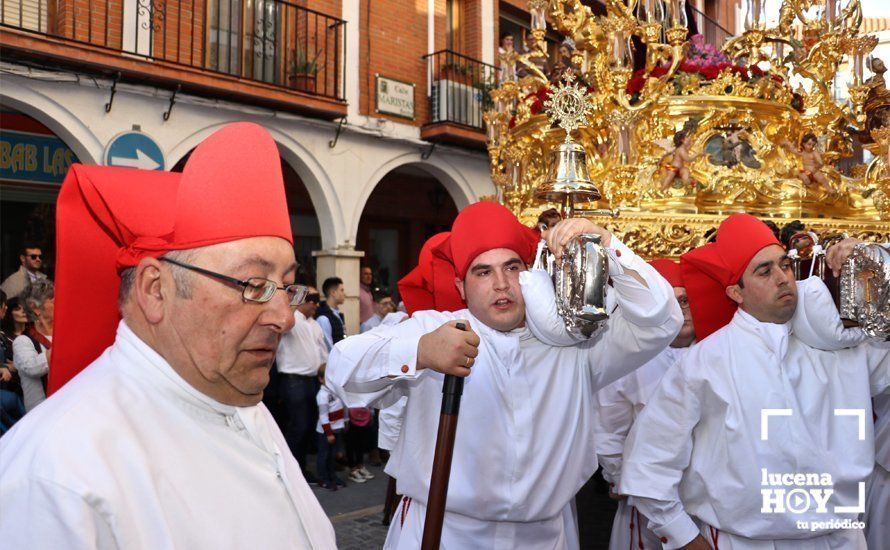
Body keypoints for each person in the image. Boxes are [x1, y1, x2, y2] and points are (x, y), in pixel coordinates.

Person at [0, 123, 336, 549]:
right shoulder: (58, 479)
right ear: (155, 290)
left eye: (288, 285)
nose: (284, 318)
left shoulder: (237, 400)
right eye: (253, 285)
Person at [327, 201, 683, 548]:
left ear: (530, 275)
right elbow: (341, 370)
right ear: (461, 286)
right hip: (445, 531)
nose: (501, 283)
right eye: (483, 271)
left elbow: (662, 320)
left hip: (546, 536)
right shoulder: (435, 328)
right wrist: (420, 352)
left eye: (512, 268)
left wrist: (606, 246)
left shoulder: (576, 341)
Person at [619, 213, 889, 549]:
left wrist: (876, 258)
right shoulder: (705, 362)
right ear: (735, 292)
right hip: (747, 542)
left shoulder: (848, 347)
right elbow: (649, 462)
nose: (782, 278)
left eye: (785, 265)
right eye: (765, 271)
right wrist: (684, 537)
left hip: (840, 539)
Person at [593, 259, 695, 550]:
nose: (683, 311)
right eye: (673, 303)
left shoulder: (715, 351)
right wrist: (619, 477)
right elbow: (607, 428)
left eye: (686, 300)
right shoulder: (628, 360)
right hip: (648, 498)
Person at [275, 285, 327, 475]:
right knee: (299, 427)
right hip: (293, 381)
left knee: (308, 428)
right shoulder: (292, 319)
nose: (315, 303)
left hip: (312, 381)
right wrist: (295, 296)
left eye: (316, 299)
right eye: (310, 298)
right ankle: (291, 471)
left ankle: (300, 469)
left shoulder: (314, 324)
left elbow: (322, 354)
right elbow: (284, 319)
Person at [13, 279, 54, 412]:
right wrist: (65, 349)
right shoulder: (23, 341)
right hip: (42, 414)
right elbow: (33, 368)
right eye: (52, 298)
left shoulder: (66, 333)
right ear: (35, 308)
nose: (59, 301)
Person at [316, 364, 347, 491]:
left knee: (333, 455)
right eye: (327, 378)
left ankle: (332, 476)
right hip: (326, 432)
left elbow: (344, 406)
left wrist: (346, 421)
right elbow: (323, 416)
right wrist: (329, 433)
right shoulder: (322, 395)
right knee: (324, 455)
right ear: (321, 379)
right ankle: (324, 479)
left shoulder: (337, 391)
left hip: (337, 428)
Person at [316, 276, 346, 350]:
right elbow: (328, 347)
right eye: (341, 290)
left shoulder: (337, 314)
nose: (344, 294)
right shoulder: (323, 317)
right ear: (333, 293)